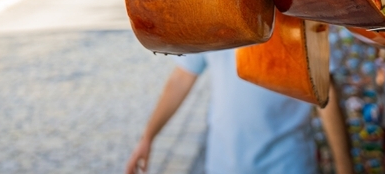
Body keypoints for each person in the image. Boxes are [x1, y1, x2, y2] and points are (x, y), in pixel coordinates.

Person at [126, 48, 322, 174]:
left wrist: (344, 165)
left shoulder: (295, 9)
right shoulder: (211, 12)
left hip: (287, 161)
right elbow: (182, 77)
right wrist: (148, 137)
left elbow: (324, 92)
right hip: (224, 162)